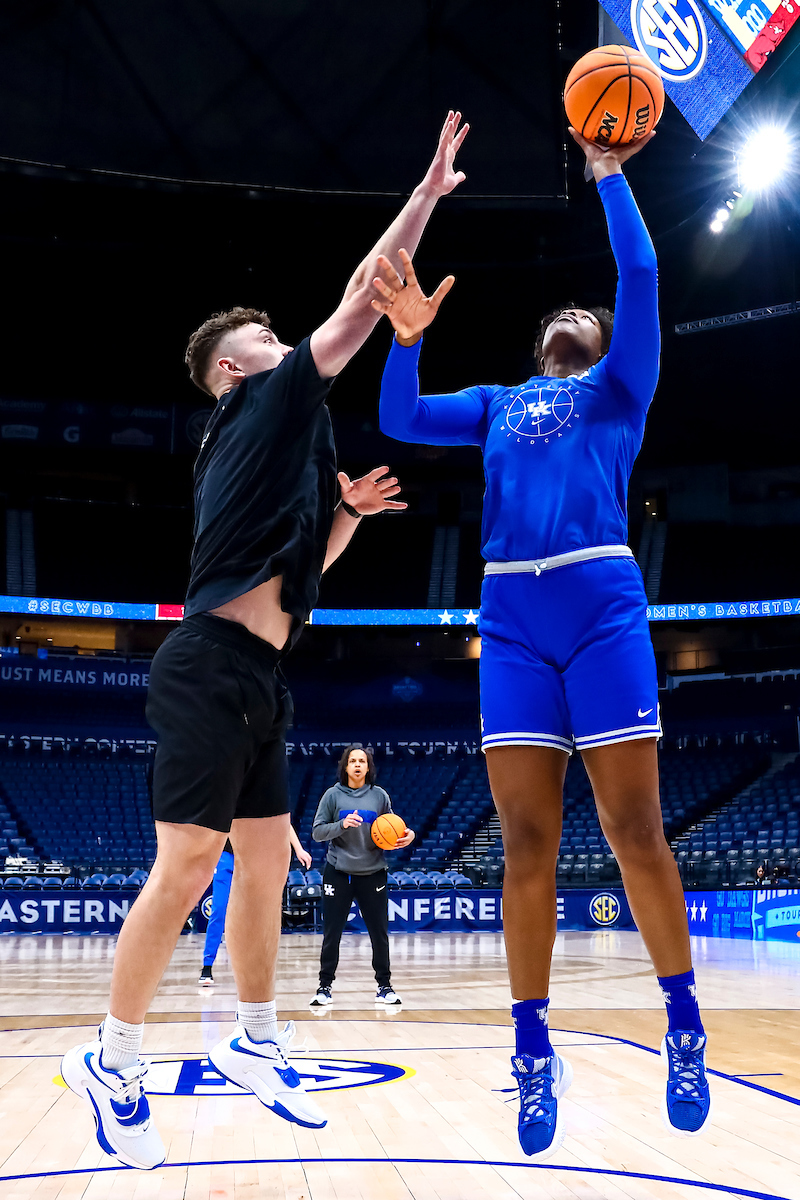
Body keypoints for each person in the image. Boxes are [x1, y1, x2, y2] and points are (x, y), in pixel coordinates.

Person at [61, 111, 469, 1171]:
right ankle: (114, 1055)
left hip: (262, 672)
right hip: (205, 667)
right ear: (238, 374)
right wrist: (423, 195)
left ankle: (253, 1039)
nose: (290, 350)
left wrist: (342, 521)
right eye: (271, 347)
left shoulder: (282, 453)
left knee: (256, 869)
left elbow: (295, 589)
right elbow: (356, 301)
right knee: (189, 863)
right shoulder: (259, 406)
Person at [372, 126, 711, 1158]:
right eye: (556, 313)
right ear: (535, 348)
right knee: (524, 842)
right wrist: (406, 337)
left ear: (608, 345)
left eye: (585, 314)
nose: (570, 315)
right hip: (510, 617)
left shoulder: (619, 389)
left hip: (599, 600)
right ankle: (530, 1047)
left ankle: (682, 1022)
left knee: (632, 829)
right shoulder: (498, 403)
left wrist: (606, 173)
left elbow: (640, 267)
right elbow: (397, 418)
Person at [309, 744, 414, 1007]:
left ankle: (385, 986)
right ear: (345, 767)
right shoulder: (332, 796)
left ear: (368, 767)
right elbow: (317, 832)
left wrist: (408, 835)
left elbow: (393, 829)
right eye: (352, 761)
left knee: (379, 932)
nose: (357, 765)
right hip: (338, 871)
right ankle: (324, 987)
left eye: (362, 761)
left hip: (373, 872)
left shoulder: (379, 796)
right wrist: (341, 825)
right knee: (332, 932)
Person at [199, 827, 311, 985]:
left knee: (254, 913)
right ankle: (207, 965)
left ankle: (254, 968)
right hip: (225, 857)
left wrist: (298, 849)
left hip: (251, 858)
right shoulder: (223, 802)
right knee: (218, 910)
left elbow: (284, 822)